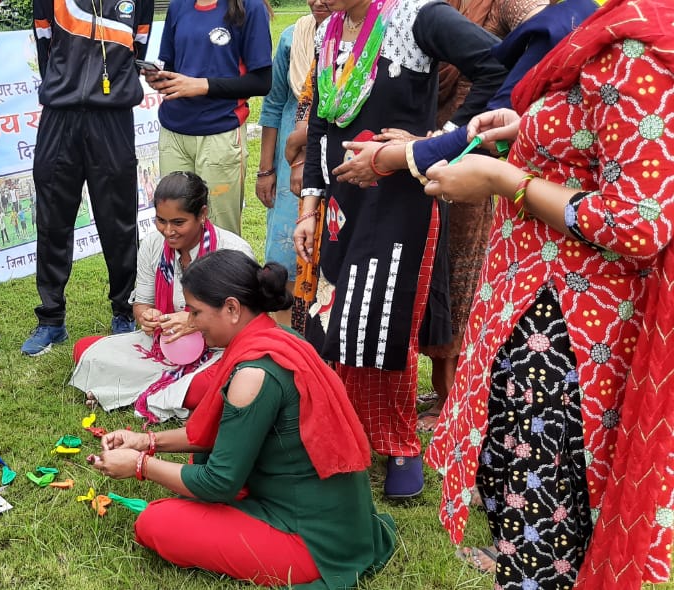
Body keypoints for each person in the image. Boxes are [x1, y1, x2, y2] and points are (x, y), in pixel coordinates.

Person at [423, 1, 674, 587]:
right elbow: (599, 144)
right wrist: (527, 131)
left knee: (544, 541)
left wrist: (501, 179)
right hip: (543, 319)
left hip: (568, 345)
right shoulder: (611, 26)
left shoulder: (634, 49)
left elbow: (638, 223)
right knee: (526, 522)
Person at [330, 0, 597, 437]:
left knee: (457, 281)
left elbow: (531, 68)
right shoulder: (407, 9)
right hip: (432, 161)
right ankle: (443, 393)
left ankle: (456, 396)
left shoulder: (520, 5)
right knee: (428, 282)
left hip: (480, 161)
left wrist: (440, 137)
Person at [292, 0, 506, 499]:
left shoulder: (417, 16)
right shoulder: (331, 30)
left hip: (400, 200)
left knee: (385, 321)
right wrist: (310, 205)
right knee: (337, 320)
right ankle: (345, 432)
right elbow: (324, 122)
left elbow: (499, 65)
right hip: (343, 206)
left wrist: (436, 144)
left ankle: (400, 445)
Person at [91, 249, 396, 587]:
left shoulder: (253, 374)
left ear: (232, 308)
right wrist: (146, 441)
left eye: (196, 312)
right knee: (198, 465)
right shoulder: (279, 337)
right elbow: (215, 433)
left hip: (311, 541)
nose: (190, 323)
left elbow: (218, 483)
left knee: (155, 522)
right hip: (336, 519)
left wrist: (140, 466)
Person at [22, 0, 155, 355]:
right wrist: (67, 85)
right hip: (59, 115)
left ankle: (124, 311)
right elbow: (44, 44)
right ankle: (51, 318)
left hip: (112, 119)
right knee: (52, 221)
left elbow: (136, 50)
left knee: (119, 222)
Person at [69, 172, 255, 422]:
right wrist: (148, 317)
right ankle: (168, 393)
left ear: (202, 214)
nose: (168, 231)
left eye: (179, 222)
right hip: (164, 348)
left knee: (214, 383)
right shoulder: (153, 244)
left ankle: (153, 390)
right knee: (86, 350)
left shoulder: (233, 250)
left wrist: (193, 322)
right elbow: (142, 303)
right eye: (161, 221)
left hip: (219, 351)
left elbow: (247, 323)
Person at [149, 0, 272, 237]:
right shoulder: (178, 6)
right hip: (173, 133)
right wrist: (159, 78)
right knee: (173, 229)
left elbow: (262, 82)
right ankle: (178, 276)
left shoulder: (250, 7)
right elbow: (171, 66)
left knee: (219, 232)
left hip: (220, 132)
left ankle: (222, 276)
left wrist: (202, 86)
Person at [256, 0, 329, 327]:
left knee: (328, 258)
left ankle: (318, 348)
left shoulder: (365, 42)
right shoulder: (292, 38)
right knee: (286, 258)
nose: (319, 1)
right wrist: (266, 170)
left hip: (335, 161)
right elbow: (273, 106)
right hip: (290, 170)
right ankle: (285, 341)